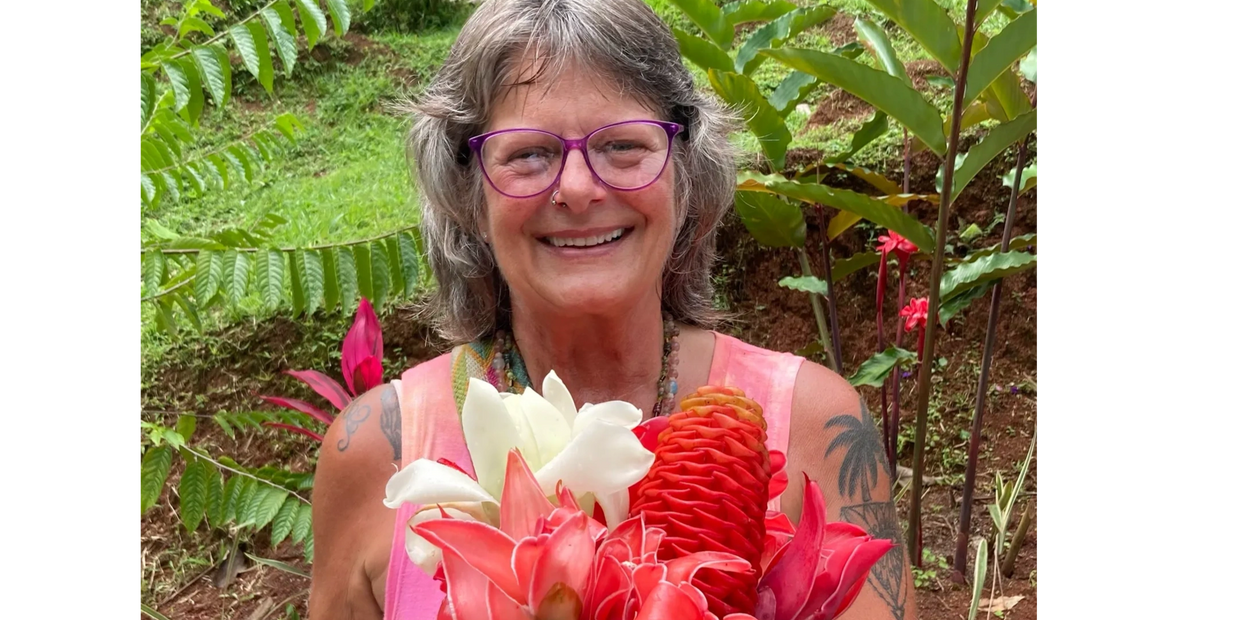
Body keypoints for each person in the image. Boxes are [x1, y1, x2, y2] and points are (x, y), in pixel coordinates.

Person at [308, 1, 916, 618]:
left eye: (624, 145)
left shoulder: (818, 425)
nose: (576, 188)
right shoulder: (373, 454)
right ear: (468, 194)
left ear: (684, 174)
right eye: (527, 154)